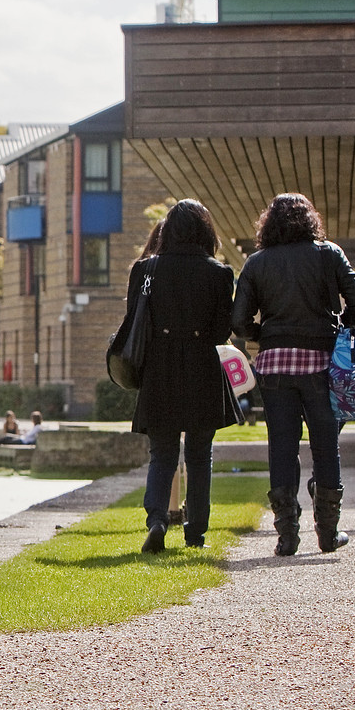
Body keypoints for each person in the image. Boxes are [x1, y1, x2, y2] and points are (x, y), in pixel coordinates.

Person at [232, 193, 355, 556]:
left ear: (269, 223)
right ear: (311, 220)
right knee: (326, 444)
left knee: (282, 446)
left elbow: (239, 319)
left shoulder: (257, 263)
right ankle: (328, 533)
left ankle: (286, 536)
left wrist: (264, 335)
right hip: (321, 362)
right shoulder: (328, 254)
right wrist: (340, 326)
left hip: (275, 364)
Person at [117, 199, 237, 552]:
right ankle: (195, 531)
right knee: (200, 455)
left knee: (163, 453)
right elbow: (220, 333)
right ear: (206, 232)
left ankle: (156, 519)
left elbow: (133, 322)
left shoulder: (145, 270)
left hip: (160, 368)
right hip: (201, 366)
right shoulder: (219, 273)